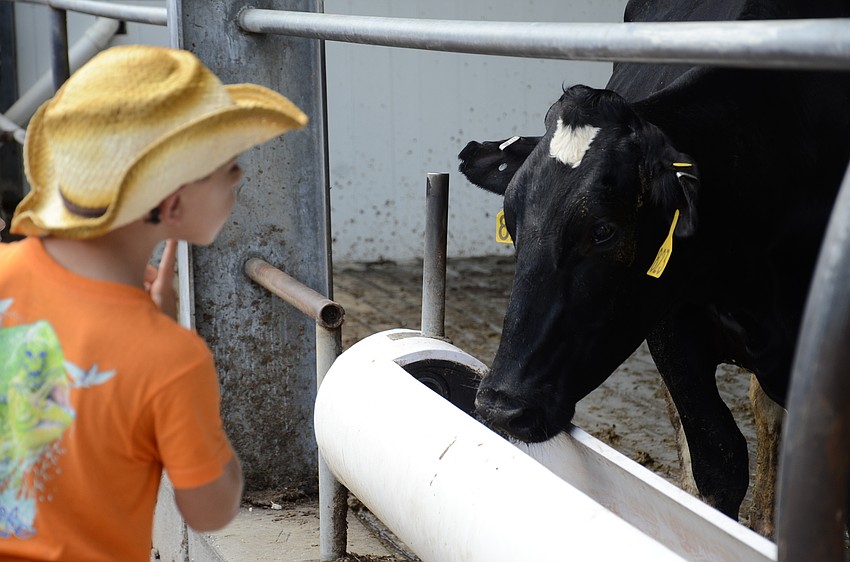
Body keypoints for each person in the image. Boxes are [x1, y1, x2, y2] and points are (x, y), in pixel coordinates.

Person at [0, 45, 308, 561]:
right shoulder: (170, 360)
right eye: (229, 166)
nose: (238, 179)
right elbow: (211, 510)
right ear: (173, 203)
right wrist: (172, 351)